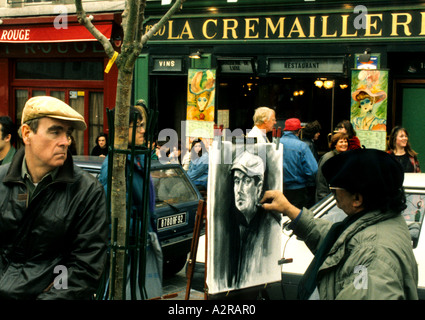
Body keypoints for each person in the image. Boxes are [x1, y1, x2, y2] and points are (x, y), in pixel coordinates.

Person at [261, 149, 418, 300]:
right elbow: (340, 244)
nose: (334, 197)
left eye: (335, 190)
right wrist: (290, 210)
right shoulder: (382, 221)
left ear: (357, 199)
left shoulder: (373, 258)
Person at [0, 96, 108, 299]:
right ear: (27, 134)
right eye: (55, 132)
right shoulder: (2, 180)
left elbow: (84, 269)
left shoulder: (87, 191)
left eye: (67, 133)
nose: (65, 141)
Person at [98, 105, 163, 300]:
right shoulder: (115, 166)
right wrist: (144, 231)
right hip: (128, 248)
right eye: (137, 126)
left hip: (141, 244)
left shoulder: (137, 159)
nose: (143, 130)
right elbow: (115, 215)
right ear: (121, 130)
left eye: (143, 125)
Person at [227, 150, 281, 288]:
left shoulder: (270, 228)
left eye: (246, 181)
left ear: (259, 186)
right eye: (237, 181)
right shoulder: (238, 226)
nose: (239, 190)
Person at [280, 118, 318, 209]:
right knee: (297, 219)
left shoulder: (276, 143)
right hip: (298, 190)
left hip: (280, 188)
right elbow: (313, 170)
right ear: (299, 130)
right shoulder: (302, 146)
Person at [315, 132, 349, 202]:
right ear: (335, 144)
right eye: (341, 142)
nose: (344, 144)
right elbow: (321, 181)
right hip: (326, 199)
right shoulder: (328, 158)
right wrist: (323, 199)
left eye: (345, 142)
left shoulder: (343, 157)